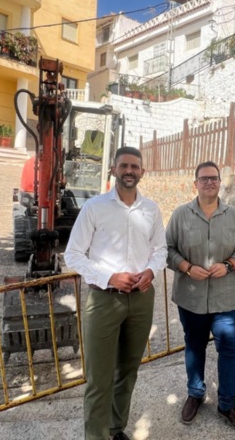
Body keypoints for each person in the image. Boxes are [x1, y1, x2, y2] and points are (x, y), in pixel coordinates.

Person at [64, 146, 167, 440]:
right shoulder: (95, 208)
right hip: (104, 300)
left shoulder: (151, 209)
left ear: (142, 172)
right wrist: (109, 277)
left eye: (135, 166)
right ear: (113, 169)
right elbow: (73, 255)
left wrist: (150, 271)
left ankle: (115, 427)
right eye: (124, 166)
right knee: (99, 377)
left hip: (141, 299)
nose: (130, 171)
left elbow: (160, 249)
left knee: (128, 369)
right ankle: (95, 436)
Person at [165, 161, 235, 435]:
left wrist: (228, 265)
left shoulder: (234, 216)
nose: (209, 183)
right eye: (204, 179)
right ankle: (195, 393)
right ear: (196, 184)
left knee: (231, 349)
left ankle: (227, 404)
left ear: (220, 182)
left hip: (225, 299)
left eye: (214, 178)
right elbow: (167, 250)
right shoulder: (180, 215)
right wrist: (187, 268)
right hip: (190, 297)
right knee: (194, 345)